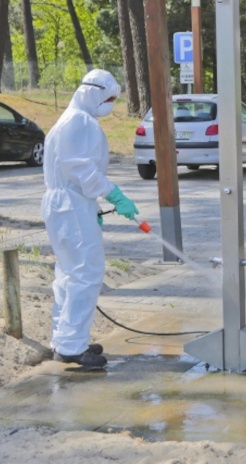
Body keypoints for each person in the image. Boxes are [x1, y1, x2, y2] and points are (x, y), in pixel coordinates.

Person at [41, 69, 139, 368]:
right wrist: (113, 195)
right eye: (109, 99)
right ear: (94, 93)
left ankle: (65, 339)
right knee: (86, 273)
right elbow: (80, 170)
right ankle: (72, 345)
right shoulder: (80, 121)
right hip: (71, 203)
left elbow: (72, 171)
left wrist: (92, 209)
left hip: (66, 203)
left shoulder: (69, 119)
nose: (110, 105)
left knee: (69, 273)